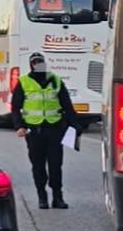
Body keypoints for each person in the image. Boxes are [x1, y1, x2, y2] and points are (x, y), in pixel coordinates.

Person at [11, 51, 76, 210]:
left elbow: (66, 104)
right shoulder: (24, 82)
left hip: (55, 128)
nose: (38, 64)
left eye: (40, 61)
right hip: (34, 130)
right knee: (38, 165)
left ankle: (57, 197)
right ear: (31, 65)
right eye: (35, 62)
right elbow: (15, 107)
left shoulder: (55, 80)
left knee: (55, 165)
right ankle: (42, 196)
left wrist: (74, 125)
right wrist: (19, 126)